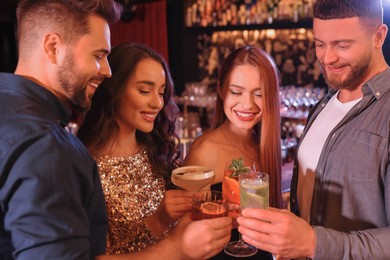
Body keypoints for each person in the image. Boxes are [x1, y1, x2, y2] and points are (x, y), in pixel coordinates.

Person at [0, 0, 231, 259]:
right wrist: (176, 248)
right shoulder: (47, 147)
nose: (107, 71)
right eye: (98, 56)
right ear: (53, 47)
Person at [236, 0, 390, 259]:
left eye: (342, 45)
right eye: (320, 44)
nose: (327, 58)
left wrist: (314, 243)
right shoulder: (323, 105)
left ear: (379, 36)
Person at [77, 42, 195, 254]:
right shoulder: (85, 165)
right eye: (144, 90)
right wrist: (158, 221)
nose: (158, 103)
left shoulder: (156, 149)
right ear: (114, 90)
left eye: (161, 92)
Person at [184, 46, 282, 259]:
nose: (247, 104)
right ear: (220, 90)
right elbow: (185, 235)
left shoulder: (263, 145)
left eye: (259, 94)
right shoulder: (206, 151)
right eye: (236, 92)